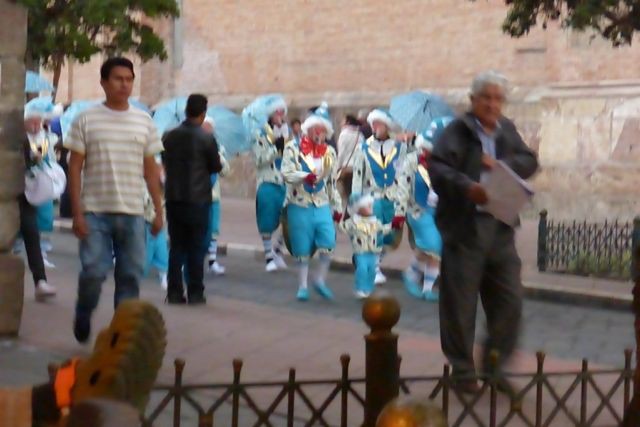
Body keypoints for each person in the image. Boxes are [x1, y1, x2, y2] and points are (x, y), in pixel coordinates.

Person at [429, 70, 539, 394]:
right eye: (486, 98)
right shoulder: (457, 131)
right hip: (466, 229)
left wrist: (501, 166)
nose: (492, 104)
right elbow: (438, 168)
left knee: (509, 301)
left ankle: (494, 367)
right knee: (460, 304)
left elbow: (529, 160)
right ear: (473, 100)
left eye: (498, 99)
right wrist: (468, 186)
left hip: (501, 226)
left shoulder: (507, 130)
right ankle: (463, 372)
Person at [65, 57, 165, 343]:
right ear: (104, 82)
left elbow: (151, 170)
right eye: (118, 79)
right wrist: (77, 213)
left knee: (130, 277)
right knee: (93, 272)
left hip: (133, 212)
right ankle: (84, 312)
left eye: (129, 79)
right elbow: (74, 167)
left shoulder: (144, 121)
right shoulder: (86, 119)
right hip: (95, 212)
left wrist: (158, 211)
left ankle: (120, 336)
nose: (124, 84)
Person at [162, 95, 222, 305]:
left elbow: (164, 160)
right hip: (198, 199)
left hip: (174, 197)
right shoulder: (206, 138)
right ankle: (195, 292)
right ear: (203, 113)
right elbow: (216, 166)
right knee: (196, 247)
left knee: (176, 246)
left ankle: (174, 291)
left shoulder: (169, 136)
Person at [281, 103, 343, 301]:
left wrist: (337, 207)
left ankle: (320, 280)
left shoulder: (329, 152)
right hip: (299, 204)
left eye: (323, 130)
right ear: (308, 129)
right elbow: (286, 173)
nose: (319, 133)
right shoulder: (293, 148)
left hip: (321, 203)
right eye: (316, 129)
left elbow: (332, 182)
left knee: (328, 242)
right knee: (302, 247)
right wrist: (303, 176)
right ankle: (302, 285)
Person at [395, 118, 452, 302]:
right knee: (433, 245)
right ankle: (411, 274)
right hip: (417, 210)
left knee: (433, 249)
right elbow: (402, 186)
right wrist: (399, 213)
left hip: (439, 210)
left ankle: (427, 288)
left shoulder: (446, 163)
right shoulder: (412, 161)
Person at [351, 108, 407, 285]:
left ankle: (372, 260)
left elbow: (403, 174)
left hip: (392, 198)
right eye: (372, 124)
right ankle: (374, 268)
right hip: (372, 197)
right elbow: (357, 176)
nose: (374, 127)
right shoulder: (363, 148)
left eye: (378, 123)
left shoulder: (399, 148)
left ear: (387, 126)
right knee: (375, 233)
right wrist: (356, 200)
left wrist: (402, 200)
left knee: (391, 237)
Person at [19, 115, 60, 301]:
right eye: (32, 122)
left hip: (26, 193)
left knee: (31, 233)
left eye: (39, 122)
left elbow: (39, 158)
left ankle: (40, 281)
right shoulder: (14, 135)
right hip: (12, 190)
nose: (36, 126)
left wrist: (38, 151)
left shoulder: (41, 138)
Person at [251, 96, 290, 272]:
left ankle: (277, 250)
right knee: (267, 219)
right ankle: (268, 257)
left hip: (284, 181)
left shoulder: (285, 132)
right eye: (278, 112)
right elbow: (259, 160)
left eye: (282, 112)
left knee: (290, 218)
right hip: (268, 181)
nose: (281, 116)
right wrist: (276, 148)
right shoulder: (259, 134)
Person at [338, 193, 397, 299]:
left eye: (371, 205)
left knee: (372, 271)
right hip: (360, 252)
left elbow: (383, 229)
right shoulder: (354, 222)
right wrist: (338, 219)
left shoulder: (375, 222)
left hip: (373, 252)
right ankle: (360, 288)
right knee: (362, 269)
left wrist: (393, 225)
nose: (371, 207)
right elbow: (343, 227)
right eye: (367, 205)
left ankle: (368, 289)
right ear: (358, 209)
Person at [202, 116, 230, 275]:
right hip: (197, 195)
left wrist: (218, 157)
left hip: (213, 195)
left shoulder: (219, 148)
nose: (207, 130)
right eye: (205, 127)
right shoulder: (194, 146)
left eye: (209, 127)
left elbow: (225, 171)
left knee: (213, 228)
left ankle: (212, 261)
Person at [142, 159, 169, 291]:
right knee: (146, 255)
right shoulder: (144, 187)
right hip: (147, 224)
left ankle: (164, 276)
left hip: (160, 226)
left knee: (162, 252)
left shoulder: (164, 189)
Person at [335, 114, 364, 202]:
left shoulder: (344, 134)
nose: (341, 123)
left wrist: (337, 167)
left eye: (343, 121)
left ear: (347, 122)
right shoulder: (360, 135)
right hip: (358, 167)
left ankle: (348, 209)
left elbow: (341, 153)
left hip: (347, 168)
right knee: (357, 193)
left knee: (346, 194)